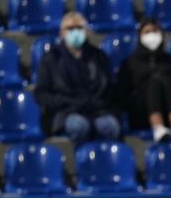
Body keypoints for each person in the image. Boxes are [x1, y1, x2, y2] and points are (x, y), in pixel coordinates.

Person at [34, 12, 121, 145]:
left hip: (97, 110)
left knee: (111, 126)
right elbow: (41, 94)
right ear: (62, 33)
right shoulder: (51, 59)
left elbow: (109, 88)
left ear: (86, 31)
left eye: (79, 28)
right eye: (70, 29)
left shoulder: (99, 57)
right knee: (79, 126)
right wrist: (66, 102)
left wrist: (99, 103)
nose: (75, 32)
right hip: (66, 111)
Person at [115, 18, 171, 142]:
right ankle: (158, 127)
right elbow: (121, 96)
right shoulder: (129, 64)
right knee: (154, 82)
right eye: (147, 32)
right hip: (141, 115)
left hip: (170, 108)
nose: (152, 35)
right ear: (140, 36)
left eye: (155, 31)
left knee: (165, 80)